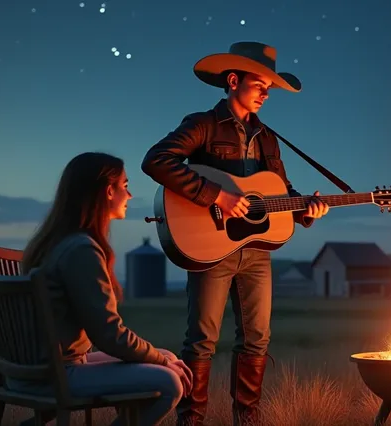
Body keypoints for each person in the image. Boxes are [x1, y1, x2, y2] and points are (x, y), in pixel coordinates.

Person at [141, 41, 329, 426]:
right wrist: (215, 195)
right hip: (209, 247)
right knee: (202, 340)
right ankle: (190, 420)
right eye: (259, 84)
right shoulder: (203, 124)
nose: (265, 93)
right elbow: (156, 160)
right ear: (233, 80)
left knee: (257, 338)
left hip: (256, 250)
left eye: (269, 88)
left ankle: (248, 419)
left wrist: (305, 209)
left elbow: (279, 192)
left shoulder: (268, 138)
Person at [16, 152, 193, 426]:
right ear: (108, 191)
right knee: (170, 381)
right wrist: (158, 360)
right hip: (56, 373)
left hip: (37, 367)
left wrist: (160, 357)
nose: (131, 195)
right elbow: (109, 334)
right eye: (125, 185)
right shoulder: (81, 250)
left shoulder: (58, 242)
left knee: (167, 358)